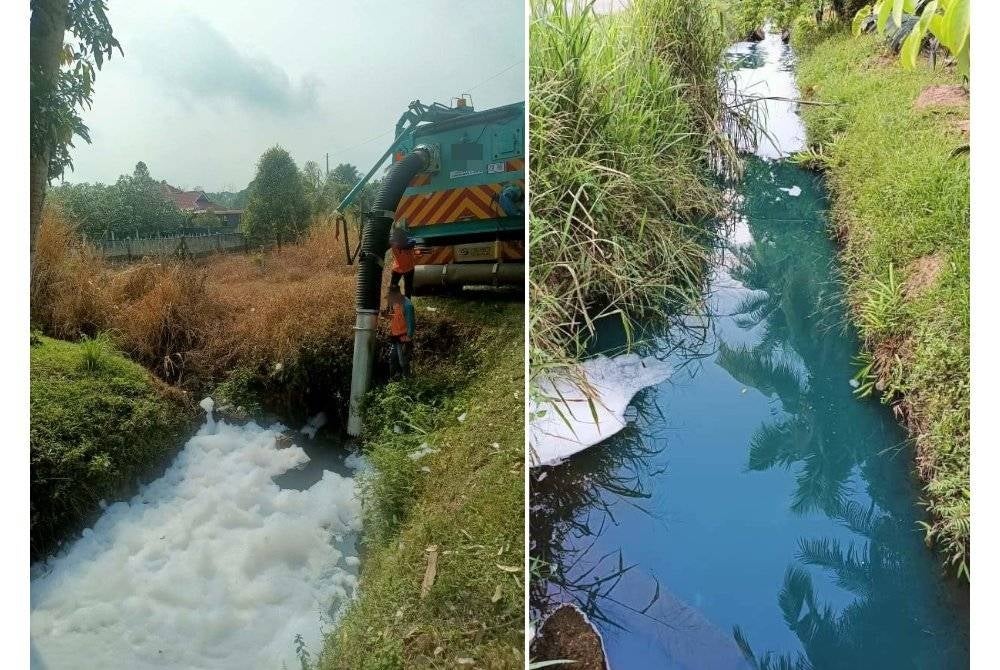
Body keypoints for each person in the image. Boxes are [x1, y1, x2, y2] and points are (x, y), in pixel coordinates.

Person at [384, 285, 415, 378]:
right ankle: (394, 381)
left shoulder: (407, 305)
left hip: (403, 337)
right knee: (393, 359)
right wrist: (386, 316)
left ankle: (407, 381)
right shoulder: (395, 303)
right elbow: (396, 317)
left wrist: (408, 337)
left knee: (403, 362)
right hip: (395, 337)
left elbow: (411, 322)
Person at [389, 223, 417, 297]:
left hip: (409, 269)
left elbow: (412, 242)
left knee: (408, 289)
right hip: (397, 268)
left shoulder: (410, 241)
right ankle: (391, 306)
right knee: (393, 288)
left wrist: (399, 245)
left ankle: (407, 306)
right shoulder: (392, 241)